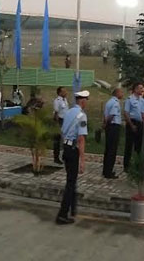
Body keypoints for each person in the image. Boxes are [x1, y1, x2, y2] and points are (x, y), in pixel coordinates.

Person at [55, 90, 90, 225]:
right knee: (70, 183)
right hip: (74, 150)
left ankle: (72, 209)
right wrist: (82, 160)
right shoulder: (82, 116)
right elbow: (81, 138)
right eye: (86, 100)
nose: (86, 103)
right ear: (82, 101)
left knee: (71, 180)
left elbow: (63, 131)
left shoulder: (69, 112)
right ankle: (62, 214)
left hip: (66, 148)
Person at [123, 83, 144, 172]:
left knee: (138, 146)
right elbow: (126, 113)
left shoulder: (142, 100)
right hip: (132, 123)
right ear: (135, 89)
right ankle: (126, 165)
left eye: (142, 88)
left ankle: (137, 165)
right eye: (140, 88)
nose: (142, 89)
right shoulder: (130, 99)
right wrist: (131, 125)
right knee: (129, 145)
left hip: (140, 123)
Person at [102, 88, 123, 178]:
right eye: (121, 92)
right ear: (117, 93)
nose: (122, 94)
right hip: (113, 126)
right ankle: (108, 172)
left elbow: (105, 115)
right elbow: (111, 115)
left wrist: (105, 124)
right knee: (112, 149)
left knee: (108, 149)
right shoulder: (115, 103)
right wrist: (107, 123)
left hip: (109, 126)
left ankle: (105, 170)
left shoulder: (109, 102)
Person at [53, 86, 69, 165]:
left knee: (65, 139)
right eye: (64, 91)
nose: (66, 92)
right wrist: (57, 125)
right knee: (58, 140)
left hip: (65, 121)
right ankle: (56, 157)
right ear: (60, 93)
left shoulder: (65, 100)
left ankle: (64, 156)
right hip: (59, 121)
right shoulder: (57, 101)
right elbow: (56, 113)